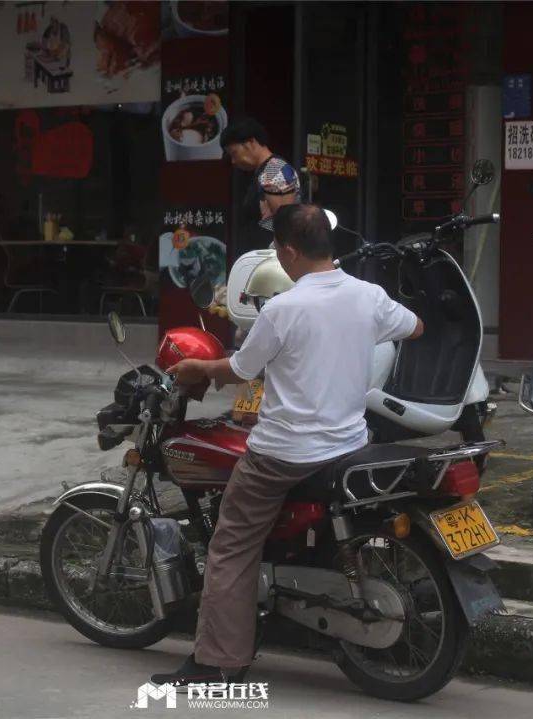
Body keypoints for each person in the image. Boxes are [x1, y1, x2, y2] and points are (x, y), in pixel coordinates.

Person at [150, 204, 424, 686]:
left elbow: (239, 369)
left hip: (283, 455)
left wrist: (197, 370)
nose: (279, 255)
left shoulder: (283, 308)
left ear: (290, 252)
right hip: (349, 447)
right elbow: (415, 327)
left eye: (278, 249)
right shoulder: (368, 295)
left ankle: (217, 660)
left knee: (230, 545)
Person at [220, 117, 301, 256]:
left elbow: (284, 223)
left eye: (234, 153)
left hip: (271, 259)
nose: (233, 161)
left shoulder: (274, 169)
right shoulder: (265, 171)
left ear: (251, 142)